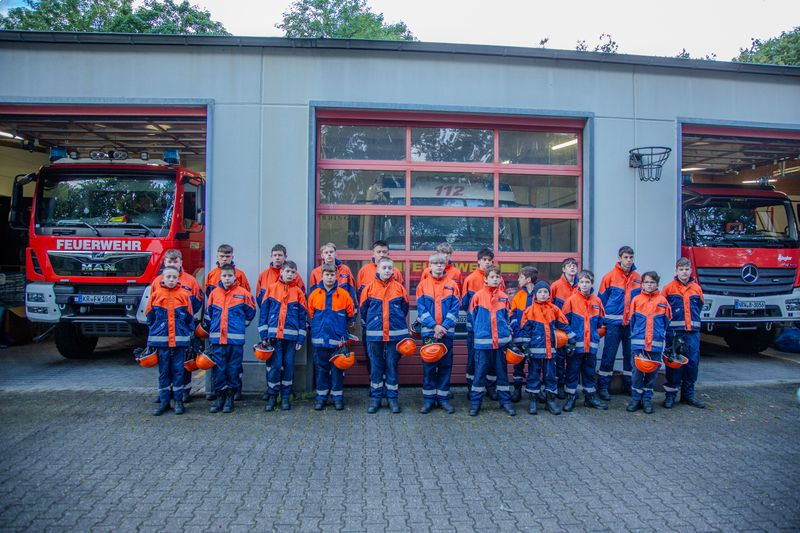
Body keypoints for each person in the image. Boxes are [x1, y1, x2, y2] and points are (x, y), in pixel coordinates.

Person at [150, 249, 203, 403]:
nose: (173, 264)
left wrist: (184, 318)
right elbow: (151, 309)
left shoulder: (190, 280)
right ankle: (165, 394)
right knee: (164, 365)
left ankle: (184, 391)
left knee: (183, 363)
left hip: (181, 327)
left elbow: (197, 301)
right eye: (170, 261)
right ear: (165, 262)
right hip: (164, 331)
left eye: (175, 261)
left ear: (181, 262)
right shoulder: (157, 281)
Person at [359, 257, 409, 414]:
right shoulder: (369, 288)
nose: (387, 270)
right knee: (376, 367)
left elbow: (405, 308)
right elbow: (363, 310)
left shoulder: (399, 288)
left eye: (390, 268)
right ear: (378, 269)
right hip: (375, 335)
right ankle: (376, 399)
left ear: (393, 270)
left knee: (391, 366)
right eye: (384, 267)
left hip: (395, 335)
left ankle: (392, 399)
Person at [204, 263, 256, 414]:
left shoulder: (243, 293)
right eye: (224, 276)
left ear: (235, 277)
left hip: (235, 340)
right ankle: (219, 398)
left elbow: (251, 312)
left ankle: (230, 399)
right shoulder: (214, 294)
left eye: (230, 276)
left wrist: (240, 325)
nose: (227, 278)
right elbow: (209, 314)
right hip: (218, 340)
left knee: (233, 369)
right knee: (219, 369)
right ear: (220, 277)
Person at [520, 280, 575, 416]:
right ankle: (533, 401)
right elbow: (525, 331)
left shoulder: (554, 309)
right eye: (540, 292)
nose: (543, 294)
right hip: (535, 352)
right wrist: (525, 347)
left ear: (549, 294)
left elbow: (564, 324)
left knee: (550, 376)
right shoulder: (529, 311)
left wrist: (571, 339)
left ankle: (550, 401)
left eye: (545, 292)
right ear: (535, 294)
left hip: (551, 351)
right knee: (533, 375)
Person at [258, 260, 308, 412]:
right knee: (275, 366)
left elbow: (302, 317)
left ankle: (286, 397)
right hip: (273, 337)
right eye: (288, 271)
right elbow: (264, 314)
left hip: (291, 339)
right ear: (281, 272)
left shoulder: (298, 292)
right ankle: (272, 397)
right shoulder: (271, 289)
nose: (290, 274)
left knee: (289, 366)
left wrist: (301, 338)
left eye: (293, 272)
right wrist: (264, 335)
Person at [146, 266, 195, 416]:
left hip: (179, 341)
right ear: (163, 278)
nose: (171, 280)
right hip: (162, 342)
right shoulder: (156, 295)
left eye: (174, 277)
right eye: (168, 277)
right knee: (164, 372)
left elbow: (189, 318)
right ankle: (164, 402)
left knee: (178, 371)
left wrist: (189, 335)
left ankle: (178, 401)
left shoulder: (184, 295)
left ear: (178, 278)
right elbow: (150, 317)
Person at [307, 263, 357, 411]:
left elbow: (351, 314)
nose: (330, 277)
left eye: (332, 275)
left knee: (338, 370)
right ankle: (321, 398)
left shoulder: (344, 295)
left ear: (336, 276)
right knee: (321, 369)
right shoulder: (314, 295)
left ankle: (337, 398)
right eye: (327, 275)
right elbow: (310, 314)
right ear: (322, 276)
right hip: (320, 339)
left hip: (338, 341)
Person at [415, 253, 461, 414]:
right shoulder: (422, 285)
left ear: (445, 265)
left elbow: (455, 309)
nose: (439, 265)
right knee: (429, 367)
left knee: (445, 366)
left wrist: (443, 327)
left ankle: (443, 399)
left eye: (442, 263)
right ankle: (428, 400)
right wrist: (435, 326)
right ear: (430, 265)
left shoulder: (452, 285)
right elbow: (421, 309)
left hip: (446, 333)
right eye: (436, 263)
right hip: (429, 333)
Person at [469, 265, 515, 417]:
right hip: (483, 343)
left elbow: (507, 318)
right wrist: (481, 333)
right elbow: (472, 318)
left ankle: (505, 402)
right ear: (485, 279)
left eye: (497, 277)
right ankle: (475, 404)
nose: (495, 279)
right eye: (492, 277)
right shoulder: (478, 296)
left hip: (500, 343)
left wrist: (506, 336)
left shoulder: (504, 297)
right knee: (479, 374)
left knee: (502, 374)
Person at [597, 246, 642, 400]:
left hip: (631, 325)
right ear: (620, 258)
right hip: (612, 325)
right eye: (626, 257)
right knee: (608, 356)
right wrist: (602, 323)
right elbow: (601, 302)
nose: (629, 260)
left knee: (630, 356)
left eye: (631, 257)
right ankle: (603, 387)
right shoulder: (609, 277)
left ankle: (629, 385)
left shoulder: (638, 278)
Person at [356, 240, 404, 380]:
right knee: (372, 355)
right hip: (372, 323)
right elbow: (361, 298)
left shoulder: (395, 271)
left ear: (388, 253)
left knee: (392, 357)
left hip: (392, 323)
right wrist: (367, 318)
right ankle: (375, 383)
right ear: (373, 253)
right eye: (379, 252)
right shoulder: (364, 271)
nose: (381, 254)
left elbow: (402, 301)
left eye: (384, 252)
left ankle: (389, 383)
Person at [561, 270, 608, 411]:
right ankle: (571, 397)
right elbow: (564, 323)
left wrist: (595, 336)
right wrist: (570, 339)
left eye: (587, 282)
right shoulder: (571, 300)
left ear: (592, 283)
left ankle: (590, 397)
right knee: (572, 372)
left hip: (591, 346)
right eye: (582, 282)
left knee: (589, 372)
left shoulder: (597, 301)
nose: (584, 285)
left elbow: (601, 324)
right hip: (575, 346)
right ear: (578, 284)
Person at [462, 248, 505, 399]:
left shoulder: (499, 279)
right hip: (475, 329)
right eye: (484, 259)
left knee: (492, 361)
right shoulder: (470, 279)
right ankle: (472, 388)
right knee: (474, 359)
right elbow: (465, 304)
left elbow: (502, 302)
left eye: (489, 260)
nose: (487, 262)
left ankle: (490, 387)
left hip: (494, 330)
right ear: (478, 260)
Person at [662, 258, 705, 409]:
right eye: (681, 269)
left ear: (691, 270)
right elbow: (663, 310)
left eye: (686, 269)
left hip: (692, 333)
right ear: (676, 271)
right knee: (674, 364)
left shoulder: (697, 289)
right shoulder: (668, 289)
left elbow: (699, 306)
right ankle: (670, 396)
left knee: (692, 364)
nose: (684, 272)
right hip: (675, 334)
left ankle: (688, 396)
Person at [627, 271, 671, 414]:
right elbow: (632, 321)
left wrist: (658, 334)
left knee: (652, 374)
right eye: (646, 282)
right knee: (637, 373)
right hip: (638, 344)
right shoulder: (636, 300)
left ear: (657, 284)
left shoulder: (663, 301)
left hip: (655, 344)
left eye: (652, 282)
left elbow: (666, 321)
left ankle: (647, 400)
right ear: (642, 284)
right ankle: (635, 399)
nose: (649, 285)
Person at [509, 265, 539, 403]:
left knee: (535, 365)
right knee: (518, 365)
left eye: (520, 277)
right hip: (520, 337)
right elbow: (513, 314)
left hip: (535, 338)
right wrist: (517, 330)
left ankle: (535, 392)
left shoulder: (539, 294)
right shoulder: (519, 295)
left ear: (528, 279)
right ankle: (517, 390)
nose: (518, 280)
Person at [550, 258, 579, 399]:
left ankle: (570, 388)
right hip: (560, 329)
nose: (572, 268)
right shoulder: (556, 286)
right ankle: (560, 385)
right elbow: (549, 306)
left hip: (576, 327)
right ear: (563, 269)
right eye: (569, 266)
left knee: (573, 360)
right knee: (560, 360)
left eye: (574, 266)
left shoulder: (581, 285)